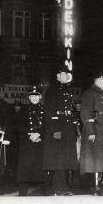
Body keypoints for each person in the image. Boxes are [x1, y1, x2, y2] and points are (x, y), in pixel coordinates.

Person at [42, 65, 78, 196]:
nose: (67, 75)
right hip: (58, 127)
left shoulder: (65, 89)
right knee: (58, 160)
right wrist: (55, 130)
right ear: (58, 75)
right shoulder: (53, 89)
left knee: (65, 158)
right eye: (64, 73)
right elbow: (49, 112)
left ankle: (63, 186)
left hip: (67, 127)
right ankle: (59, 187)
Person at [16, 86, 49, 196]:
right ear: (29, 97)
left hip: (40, 140)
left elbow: (47, 125)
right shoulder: (23, 110)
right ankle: (23, 190)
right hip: (27, 141)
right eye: (32, 96)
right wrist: (29, 135)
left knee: (41, 165)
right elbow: (19, 125)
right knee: (25, 167)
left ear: (40, 96)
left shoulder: (45, 109)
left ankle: (44, 190)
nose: (34, 98)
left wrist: (39, 134)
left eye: (36, 96)